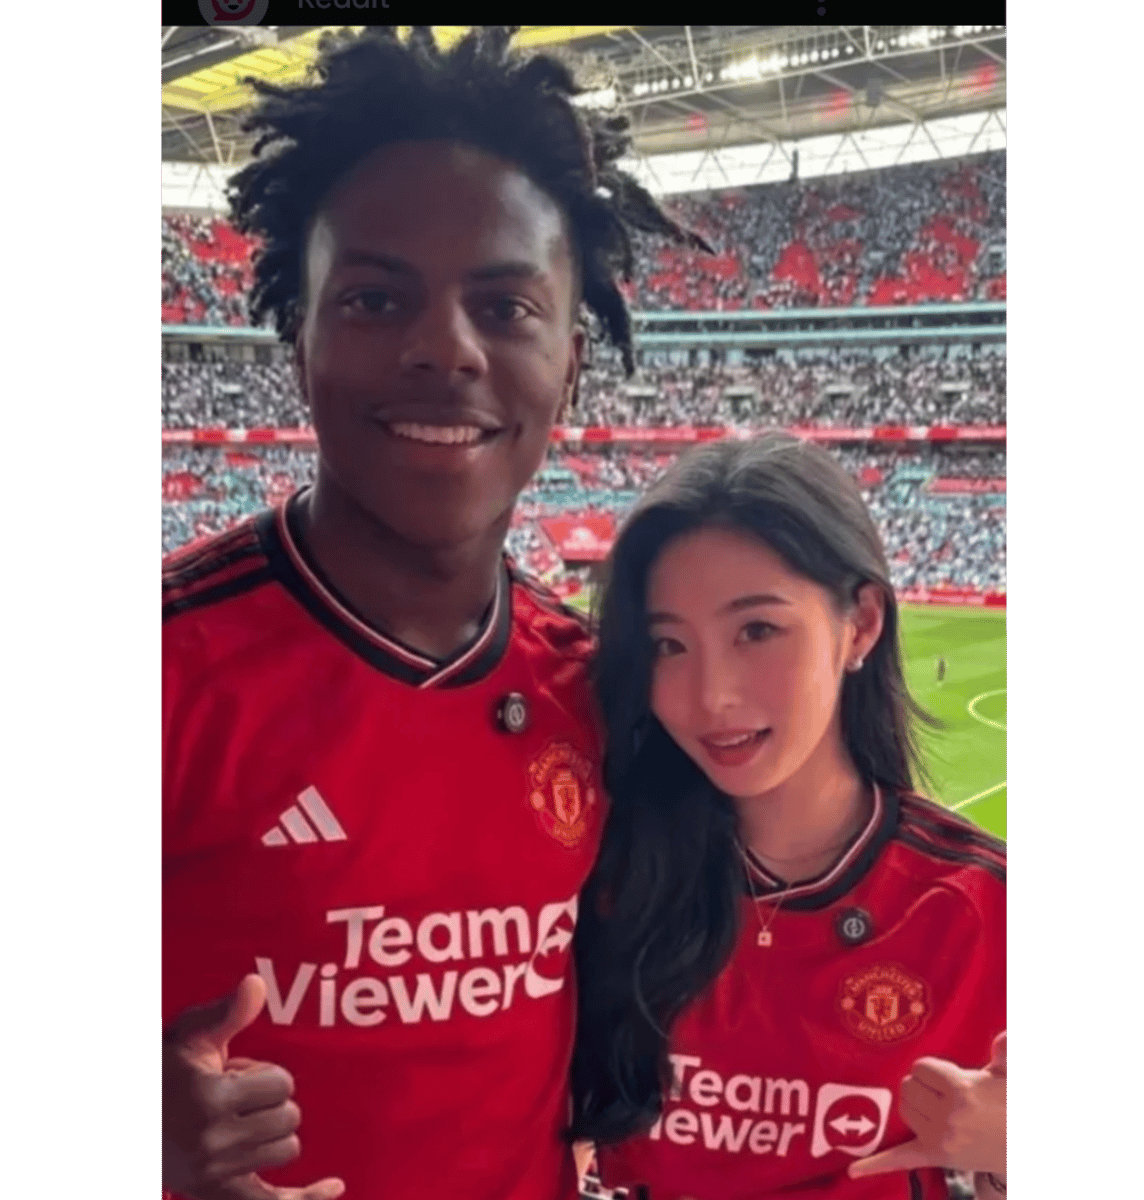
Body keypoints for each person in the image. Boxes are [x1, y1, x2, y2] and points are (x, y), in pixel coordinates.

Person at [161, 26, 706, 1200]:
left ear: (572, 363)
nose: (443, 349)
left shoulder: (601, 686)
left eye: (505, 308)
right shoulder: (160, 672)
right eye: (373, 298)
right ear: (298, 343)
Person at [569, 433, 1006, 1199]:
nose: (711, 696)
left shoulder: (985, 907)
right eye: (669, 644)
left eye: (757, 631)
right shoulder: (600, 879)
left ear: (860, 624)